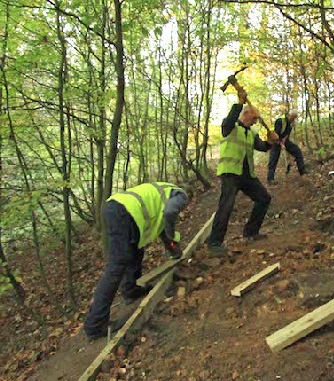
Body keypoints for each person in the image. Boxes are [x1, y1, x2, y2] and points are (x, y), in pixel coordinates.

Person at [84, 182, 190, 340]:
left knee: (135, 251)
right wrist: (173, 235)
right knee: (116, 266)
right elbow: (169, 213)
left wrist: (174, 251)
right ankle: (95, 324)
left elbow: (163, 229)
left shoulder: (163, 192)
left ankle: (130, 291)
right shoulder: (181, 194)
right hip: (124, 213)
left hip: (119, 210)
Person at [207, 89, 277, 255]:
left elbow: (262, 147)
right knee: (226, 206)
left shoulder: (251, 133)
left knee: (264, 198)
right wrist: (239, 102)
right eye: (253, 119)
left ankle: (251, 232)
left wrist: (270, 142)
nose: (255, 122)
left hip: (247, 175)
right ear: (245, 114)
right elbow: (228, 122)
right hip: (231, 174)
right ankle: (214, 243)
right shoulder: (230, 127)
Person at [267, 110, 306, 184]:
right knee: (273, 159)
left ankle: (302, 171)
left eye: (294, 118)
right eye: (292, 117)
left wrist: (284, 141)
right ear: (289, 115)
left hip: (284, 140)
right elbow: (276, 135)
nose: (293, 119)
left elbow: (287, 134)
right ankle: (270, 179)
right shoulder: (280, 121)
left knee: (297, 151)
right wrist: (281, 144)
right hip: (275, 141)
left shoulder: (291, 123)